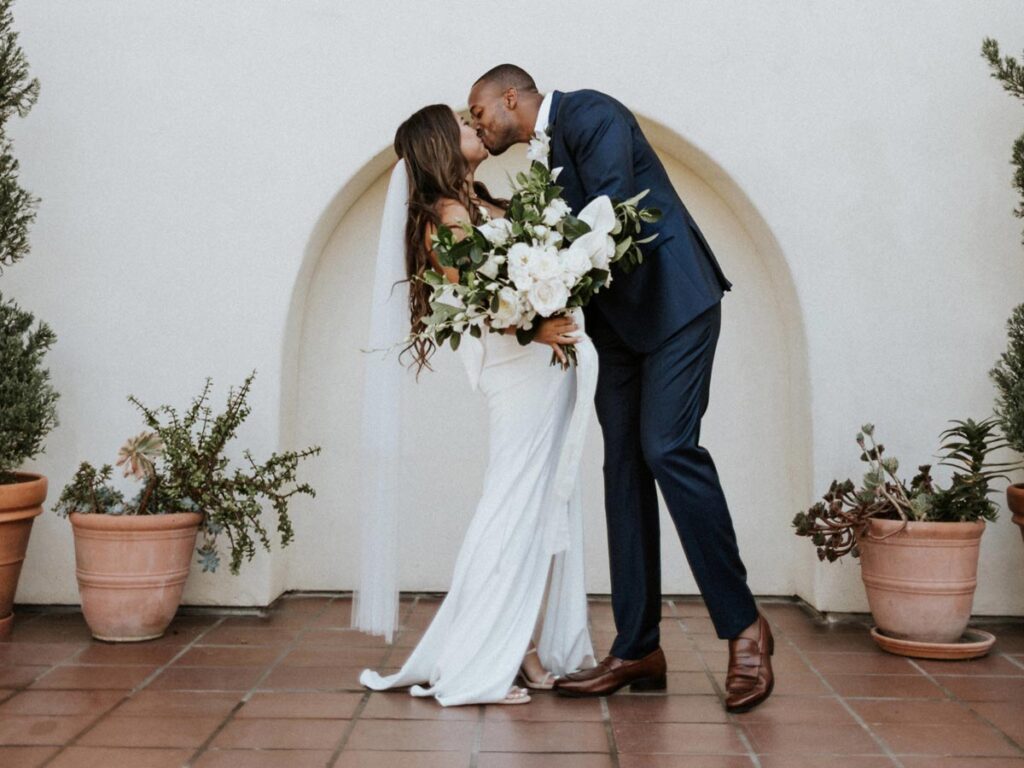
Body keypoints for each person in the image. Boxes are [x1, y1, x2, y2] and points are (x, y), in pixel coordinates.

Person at [467, 65, 775, 713]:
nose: (477, 125)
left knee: (668, 449)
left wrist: (543, 270)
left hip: (676, 306)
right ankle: (637, 647)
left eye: (478, 112)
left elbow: (606, 218)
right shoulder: (538, 158)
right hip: (618, 328)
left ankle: (745, 629)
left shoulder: (591, 113)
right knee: (622, 469)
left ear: (511, 98)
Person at [356, 104, 597, 706]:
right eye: (464, 124)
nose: (476, 128)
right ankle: (481, 655)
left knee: (542, 503)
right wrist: (531, 330)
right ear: (441, 143)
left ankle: (524, 648)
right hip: (519, 374)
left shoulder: (480, 200)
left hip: (544, 369)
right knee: (511, 504)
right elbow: (472, 297)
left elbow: (505, 280)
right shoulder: (446, 214)